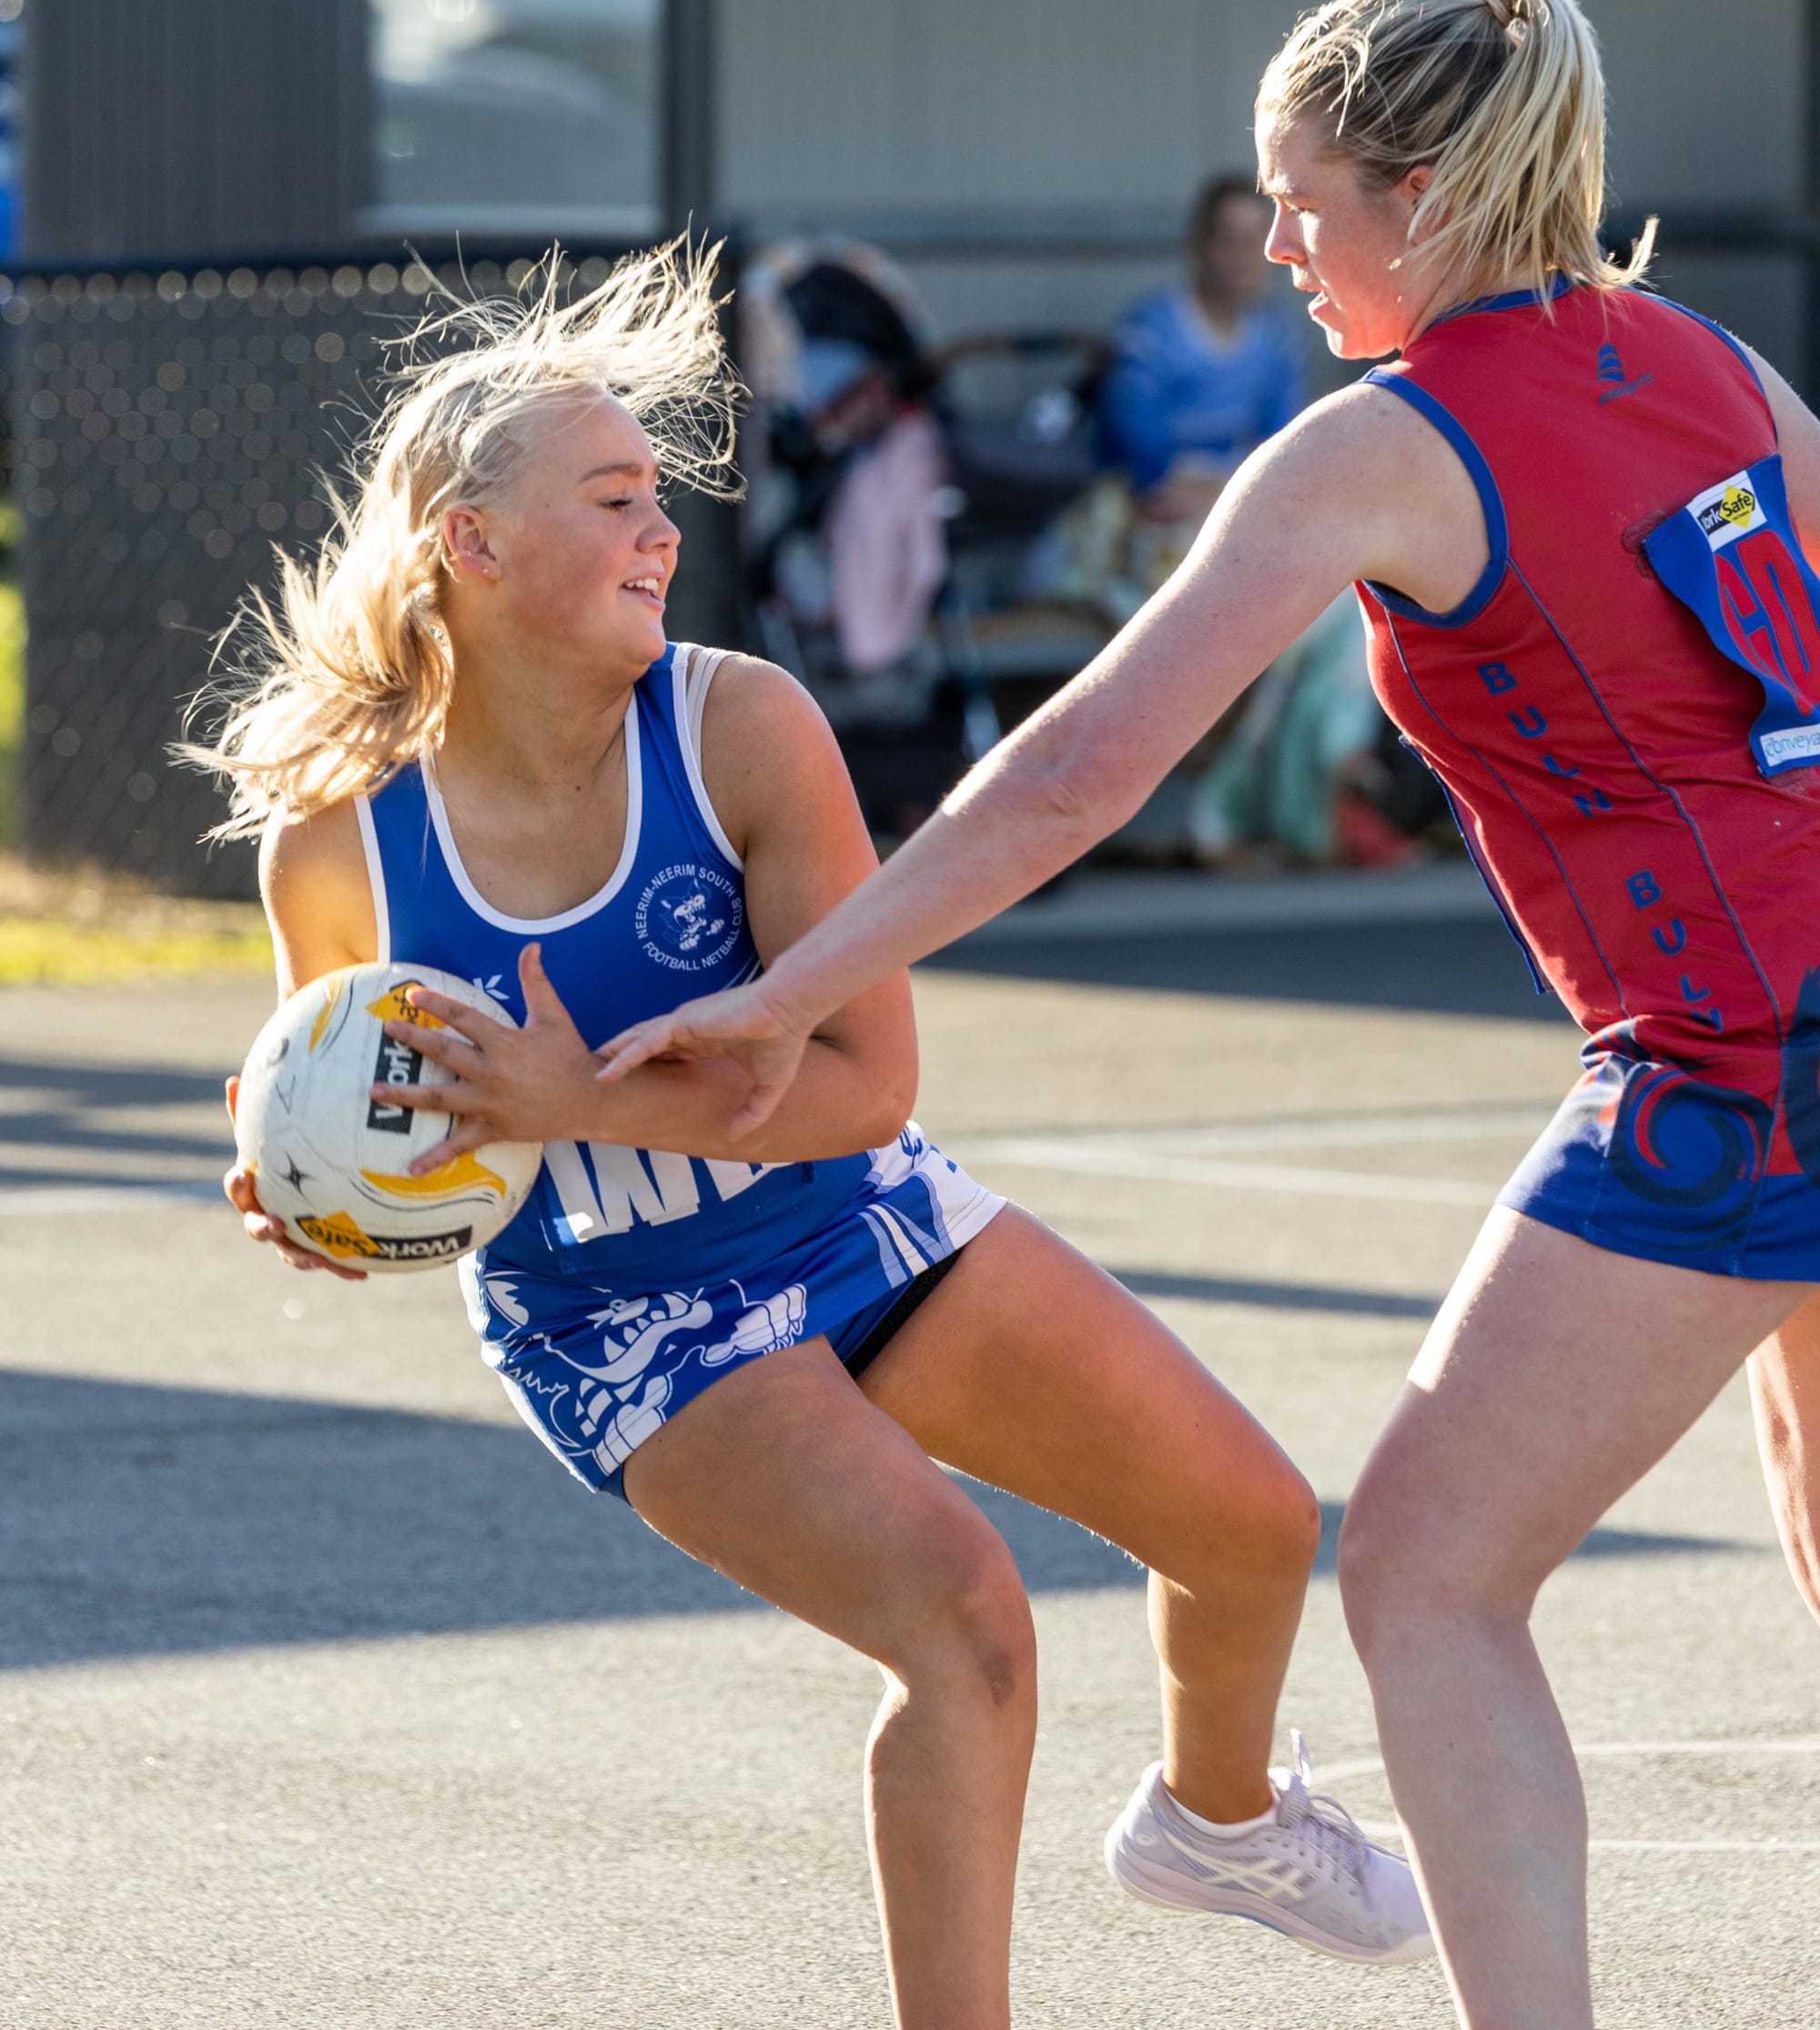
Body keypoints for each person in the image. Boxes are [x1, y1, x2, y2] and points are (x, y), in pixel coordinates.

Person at [581, 0, 1820, 2030]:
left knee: (1425, 1577)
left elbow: (1076, 768)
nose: (1272, 244)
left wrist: (795, 988)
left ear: (1410, 191)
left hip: (1724, 1066)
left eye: (1294, 195)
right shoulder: (1698, 357)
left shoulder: (1386, 443)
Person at [199, 246, 1431, 2030]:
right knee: (965, 1630)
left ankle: (1219, 1824)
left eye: (661, 500)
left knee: (1246, 1526)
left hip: (854, 1215)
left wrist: (576, 1099)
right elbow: (347, 1118)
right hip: (623, 1313)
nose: (661, 531)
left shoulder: (738, 729)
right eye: (614, 499)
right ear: (472, 547)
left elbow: (865, 1081)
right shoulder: (339, 847)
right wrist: (305, 1199)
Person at [1096, 170, 1307, 528]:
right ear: (1200, 244)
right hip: (1157, 503)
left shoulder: (1279, 334)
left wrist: (1236, 493)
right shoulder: (1148, 333)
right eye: (1231, 240)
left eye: (1257, 239)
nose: (1246, 257)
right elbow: (1143, 454)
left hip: (1243, 494)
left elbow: (1283, 439)